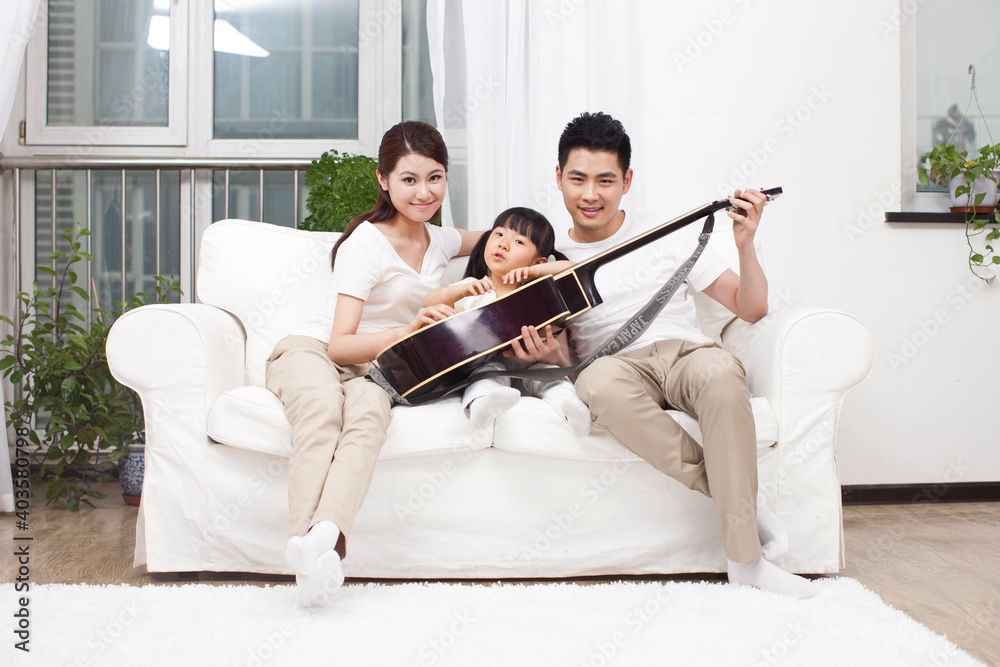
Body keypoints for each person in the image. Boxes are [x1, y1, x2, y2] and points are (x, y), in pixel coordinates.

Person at [524, 111, 814, 598]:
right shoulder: (546, 259)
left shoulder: (667, 231)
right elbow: (562, 356)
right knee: (594, 384)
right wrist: (551, 356)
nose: (590, 194)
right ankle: (747, 512)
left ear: (627, 181)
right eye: (577, 179)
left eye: (605, 180)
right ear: (558, 178)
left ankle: (745, 562)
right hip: (613, 368)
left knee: (722, 371)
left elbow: (753, 307)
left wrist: (746, 244)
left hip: (685, 354)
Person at [265, 121, 481, 605]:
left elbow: (505, 237)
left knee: (368, 418)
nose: (424, 192)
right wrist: (408, 332)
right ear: (383, 180)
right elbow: (340, 344)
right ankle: (306, 557)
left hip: (373, 370)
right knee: (323, 413)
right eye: (409, 179)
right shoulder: (367, 242)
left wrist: (556, 251)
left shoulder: (440, 241)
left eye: (435, 177)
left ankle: (320, 543)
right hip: (312, 350)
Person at [422, 206, 591, 435]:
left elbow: (577, 272)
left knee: (549, 375)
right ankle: (482, 406)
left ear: (538, 262)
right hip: (486, 367)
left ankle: (571, 409)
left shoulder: (537, 296)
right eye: (499, 234)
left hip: (531, 366)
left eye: (519, 242)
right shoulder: (472, 289)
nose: (503, 244)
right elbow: (429, 302)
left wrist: (534, 273)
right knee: (488, 373)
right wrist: (460, 292)